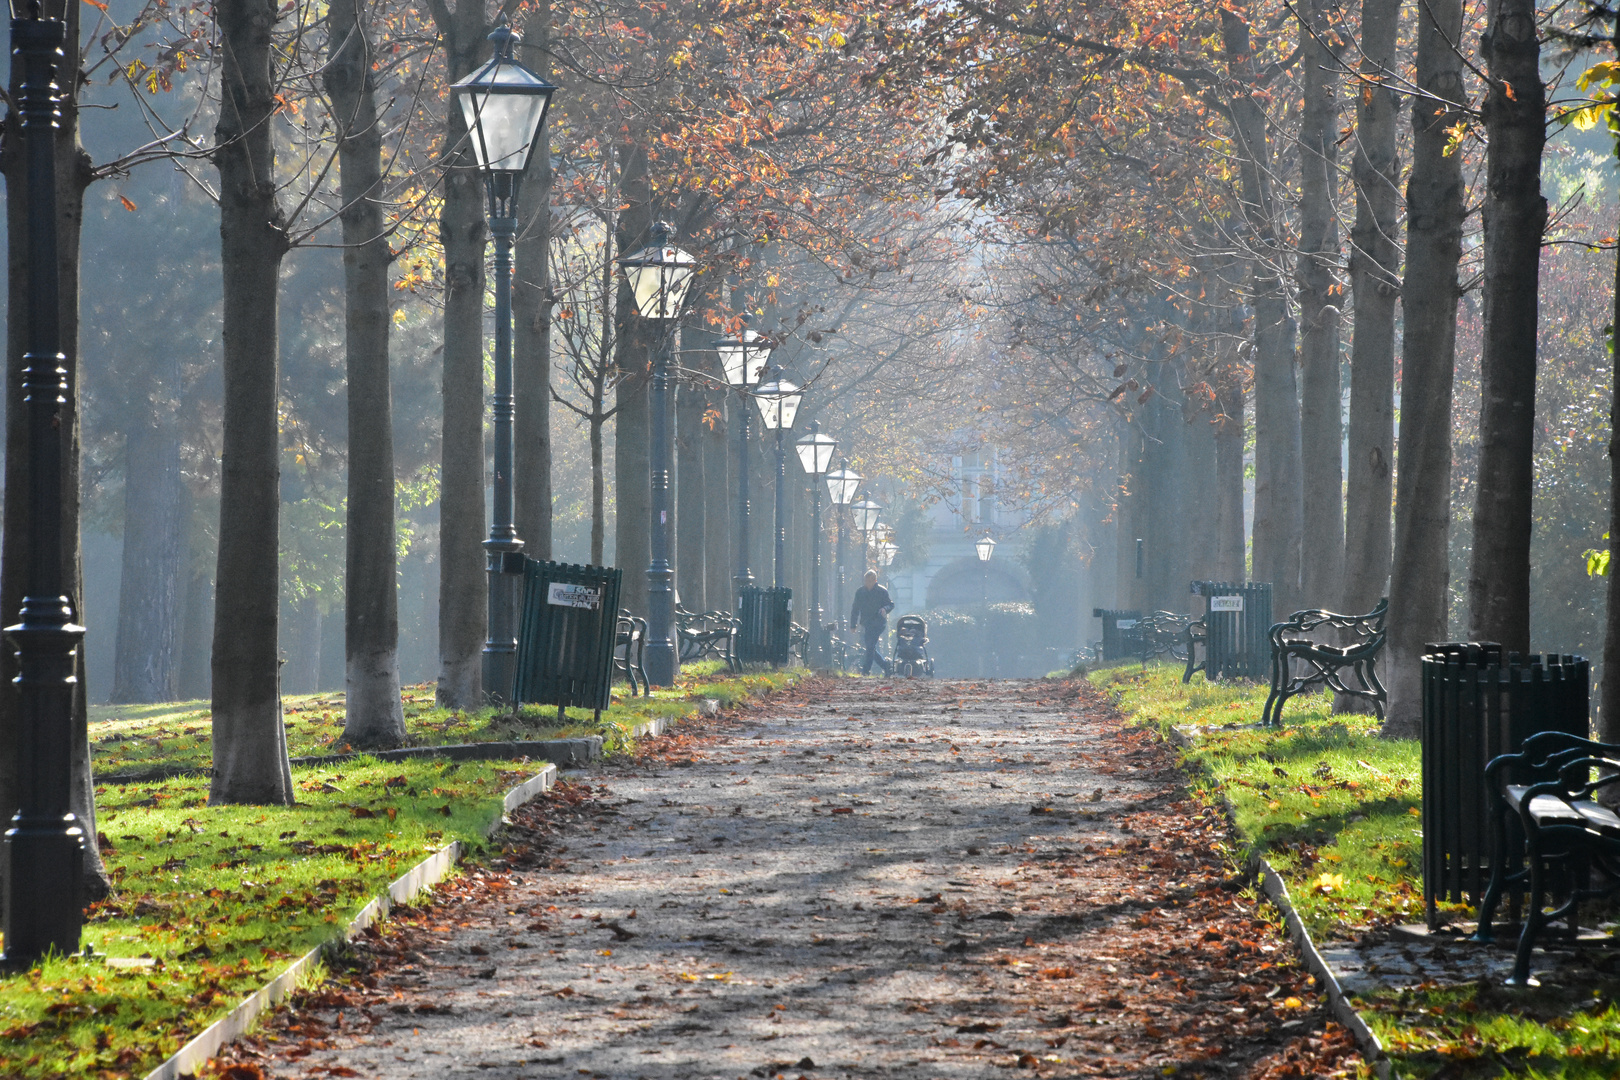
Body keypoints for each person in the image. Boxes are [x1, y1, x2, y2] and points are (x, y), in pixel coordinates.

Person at [849, 569, 894, 676]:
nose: (868, 583)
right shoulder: (860, 592)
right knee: (870, 647)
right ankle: (886, 666)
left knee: (870, 645)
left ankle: (866, 670)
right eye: (866, 581)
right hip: (867, 623)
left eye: (870, 581)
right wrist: (853, 625)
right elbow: (855, 609)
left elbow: (891, 604)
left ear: (875, 580)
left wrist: (885, 609)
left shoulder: (882, 591)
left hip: (879, 623)